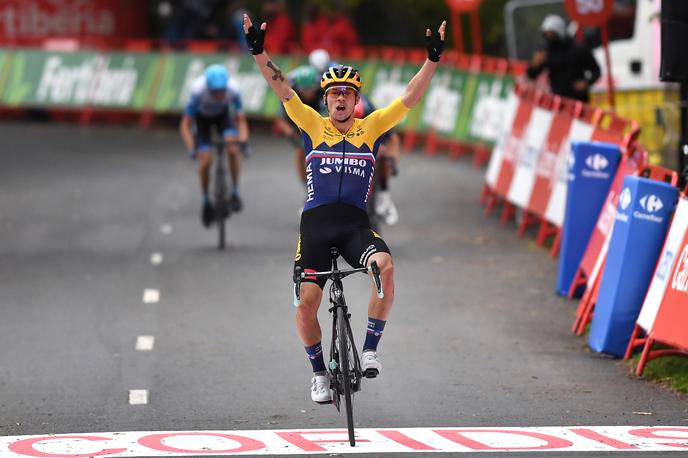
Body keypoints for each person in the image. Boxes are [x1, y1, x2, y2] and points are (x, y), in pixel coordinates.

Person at [243, 13, 445, 403]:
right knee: (306, 304)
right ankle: (319, 373)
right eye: (333, 93)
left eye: (346, 94)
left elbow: (410, 98)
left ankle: (370, 348)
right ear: (326, 100)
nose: (339, 99)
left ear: (355, 102)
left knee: (385, 268)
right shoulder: (311, 125)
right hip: (316, 228)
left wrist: (432, 60)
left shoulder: (370, 128)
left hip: (355, 226)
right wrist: (259, 51)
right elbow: (281, 87)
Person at [180, 64, 249, 227]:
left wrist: (243, 140)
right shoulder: (198, 91)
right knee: (205, 161)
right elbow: (185, 125)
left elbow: (241, 121)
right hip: (202, 120)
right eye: (215, 92)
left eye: (221, 91)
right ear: (208, 88)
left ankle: (235, 191)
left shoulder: (233, 90)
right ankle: (205, 199)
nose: (219, 95)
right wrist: (191, 147)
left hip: (223, 117)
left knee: (233, 150)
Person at [526, 14, 601, 103]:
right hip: (557, 100)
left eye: (552, 34)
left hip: (579, 99)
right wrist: (535, 64)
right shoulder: (545, 51)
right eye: (546, 34)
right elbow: (531, 75)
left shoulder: (579, 48)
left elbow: (596, 70)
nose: (548, 37)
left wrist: (586, 82)